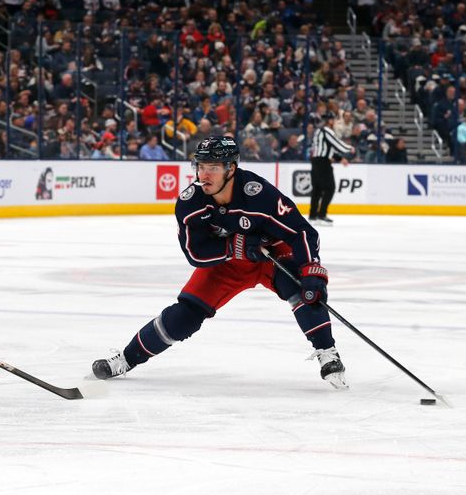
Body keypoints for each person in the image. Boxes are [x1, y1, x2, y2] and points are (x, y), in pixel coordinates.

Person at [92, 137, 347, 389]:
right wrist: (235, 248)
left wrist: (311, 270)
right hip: (229, 264)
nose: (205, 174)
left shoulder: (259, 194)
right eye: (201, 166)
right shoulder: (190, 202)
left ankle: (328, 352)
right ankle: (126, 358)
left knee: (302, 287)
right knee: (185, 315)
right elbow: (195, 254)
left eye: (213, 167)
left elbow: (301, 232)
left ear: (231, 169)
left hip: (271, 255)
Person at [309, 112, 353, 226]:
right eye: (333, 119)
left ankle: (313, 216)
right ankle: (321, 215)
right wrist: (349, 148)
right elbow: (337, 144)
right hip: (323, 162)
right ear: (330, 121)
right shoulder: (326, 130)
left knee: (317, 189)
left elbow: (327, 148)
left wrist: (339, 158)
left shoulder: (318, 131)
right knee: (330, 188)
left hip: (316, 161)